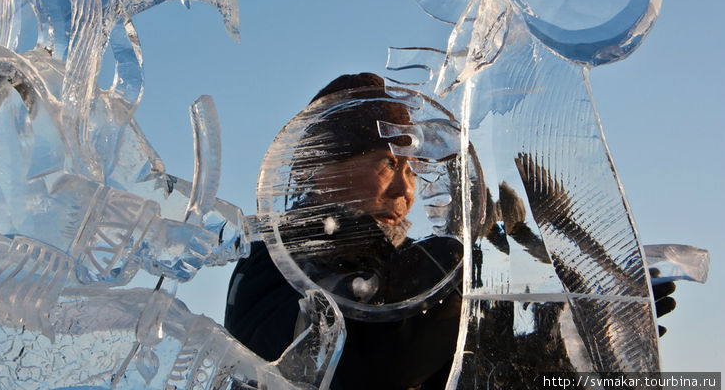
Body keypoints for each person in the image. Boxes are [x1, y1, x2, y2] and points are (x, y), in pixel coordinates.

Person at [225, 73, 677, 390]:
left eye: (413, 167)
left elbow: (476, 373)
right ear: (323, 171)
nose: (406, 188)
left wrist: (571, 344)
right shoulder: (274, 261)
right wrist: (458, 252)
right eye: (386, 163)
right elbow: (368, 362)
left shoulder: (399, 268)